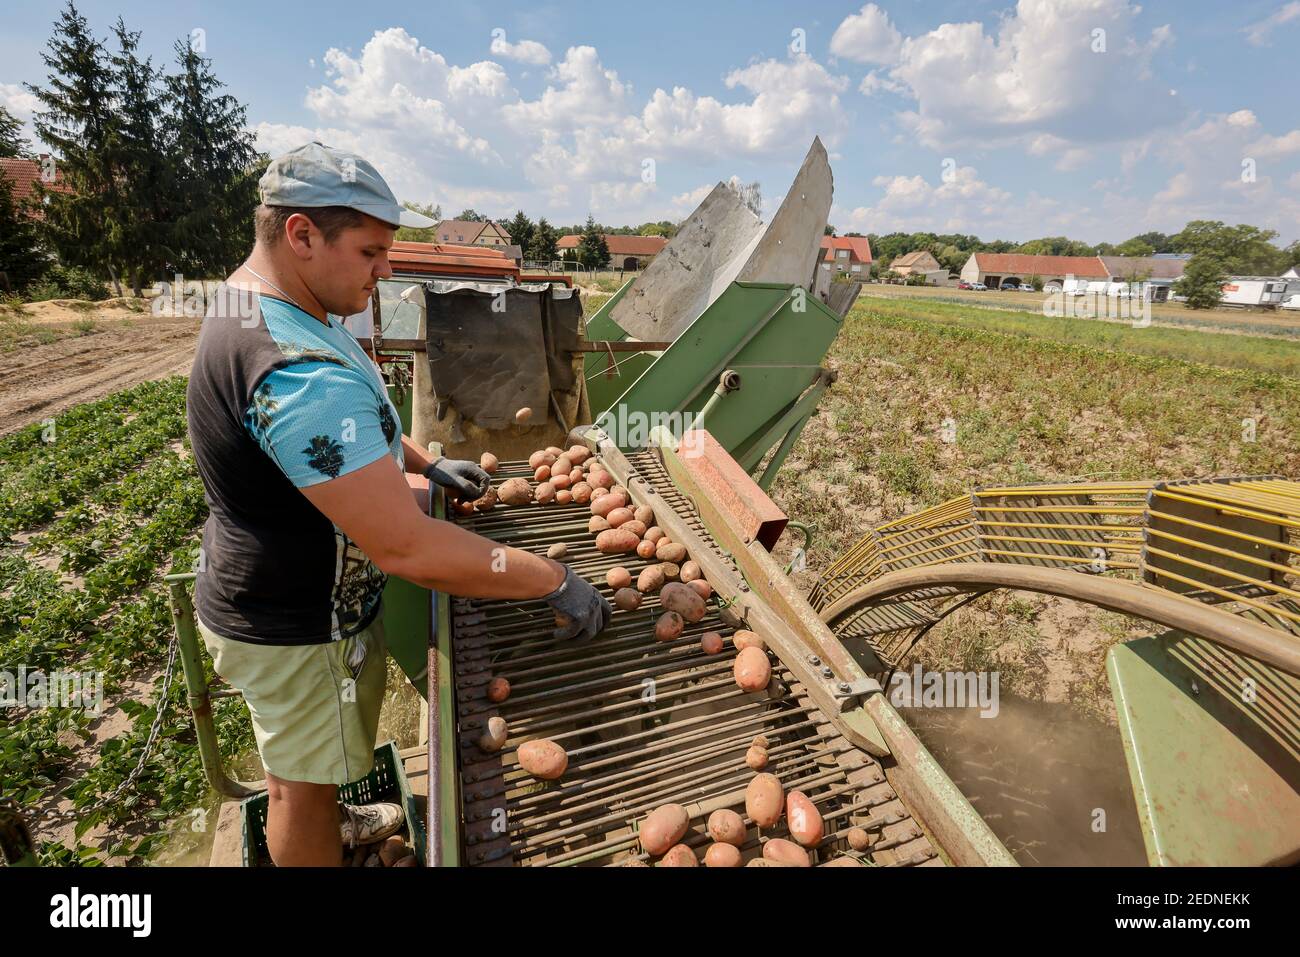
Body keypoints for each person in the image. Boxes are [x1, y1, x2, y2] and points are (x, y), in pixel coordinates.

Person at [185, 142, 610, 866]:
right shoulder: (293, 372)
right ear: (301, 235)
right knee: (297, 790)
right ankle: (318, 837)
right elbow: (406, 547)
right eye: (372, 251)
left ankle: (333, 817)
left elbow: (350, 430)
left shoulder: (269, 302)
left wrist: (420, 458)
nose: (387, 269)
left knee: (312, 770)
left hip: (278, 590)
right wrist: (552, 577)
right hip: (294, 622)